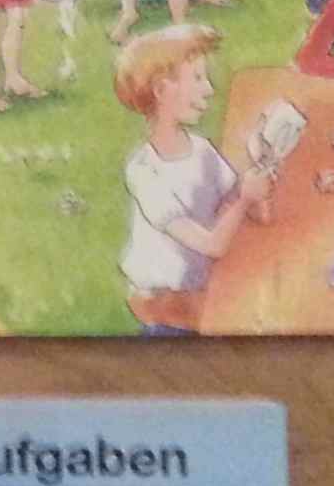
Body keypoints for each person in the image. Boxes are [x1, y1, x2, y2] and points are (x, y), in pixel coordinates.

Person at [113, 24, 278, 335]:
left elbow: (255, 211)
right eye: (198, 78)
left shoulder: (201, 150)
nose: (209, 89)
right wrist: (246, 198)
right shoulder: (146, 173)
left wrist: (263, 167)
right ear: (162, 90)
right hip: (165, 308)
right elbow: (212, 245)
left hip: (200, 286)